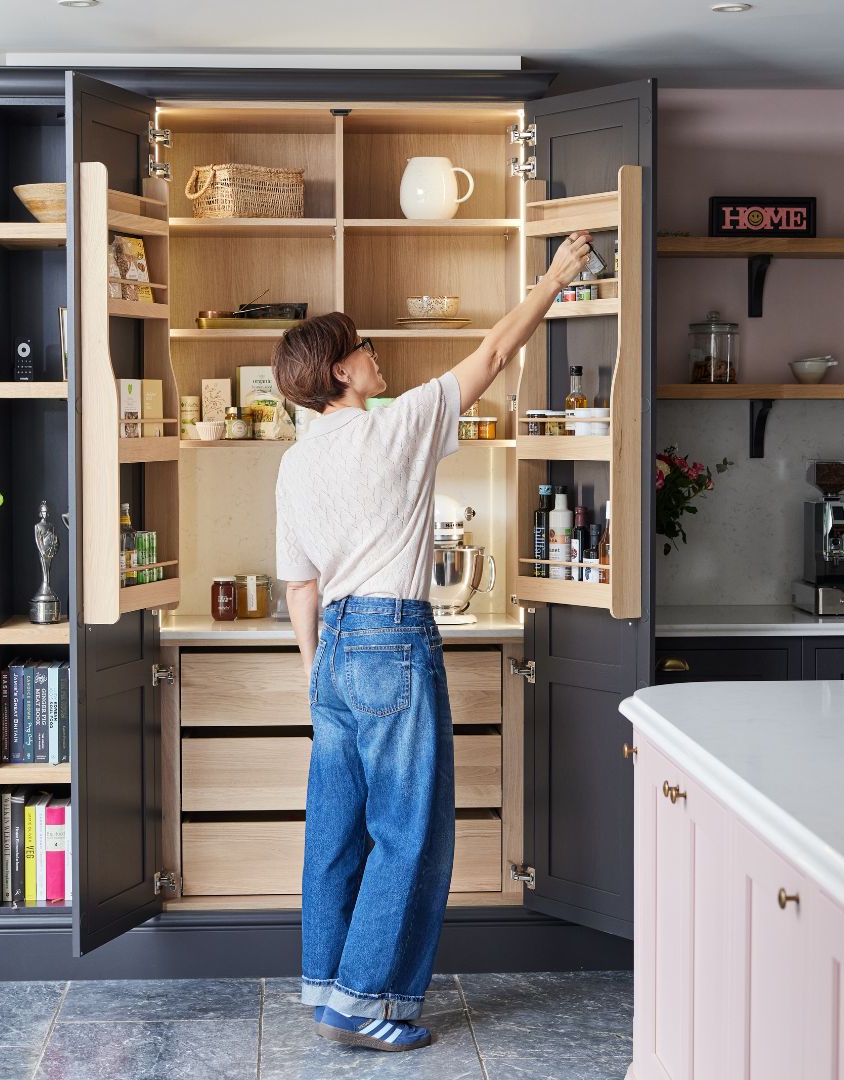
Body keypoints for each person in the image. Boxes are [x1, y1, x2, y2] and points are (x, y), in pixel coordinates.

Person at [271, 230, 593, 1051]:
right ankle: (363, 1003)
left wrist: (314, 673)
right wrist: (555, 276)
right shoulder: (399, 425)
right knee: (408, 831)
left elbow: (299, 585)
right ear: (341, 372)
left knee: (335, 832)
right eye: (364, 349)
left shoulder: (297, 462)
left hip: (332, 650)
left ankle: (329, 985)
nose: (375, 355)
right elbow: (493, 352)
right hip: (392, 639)